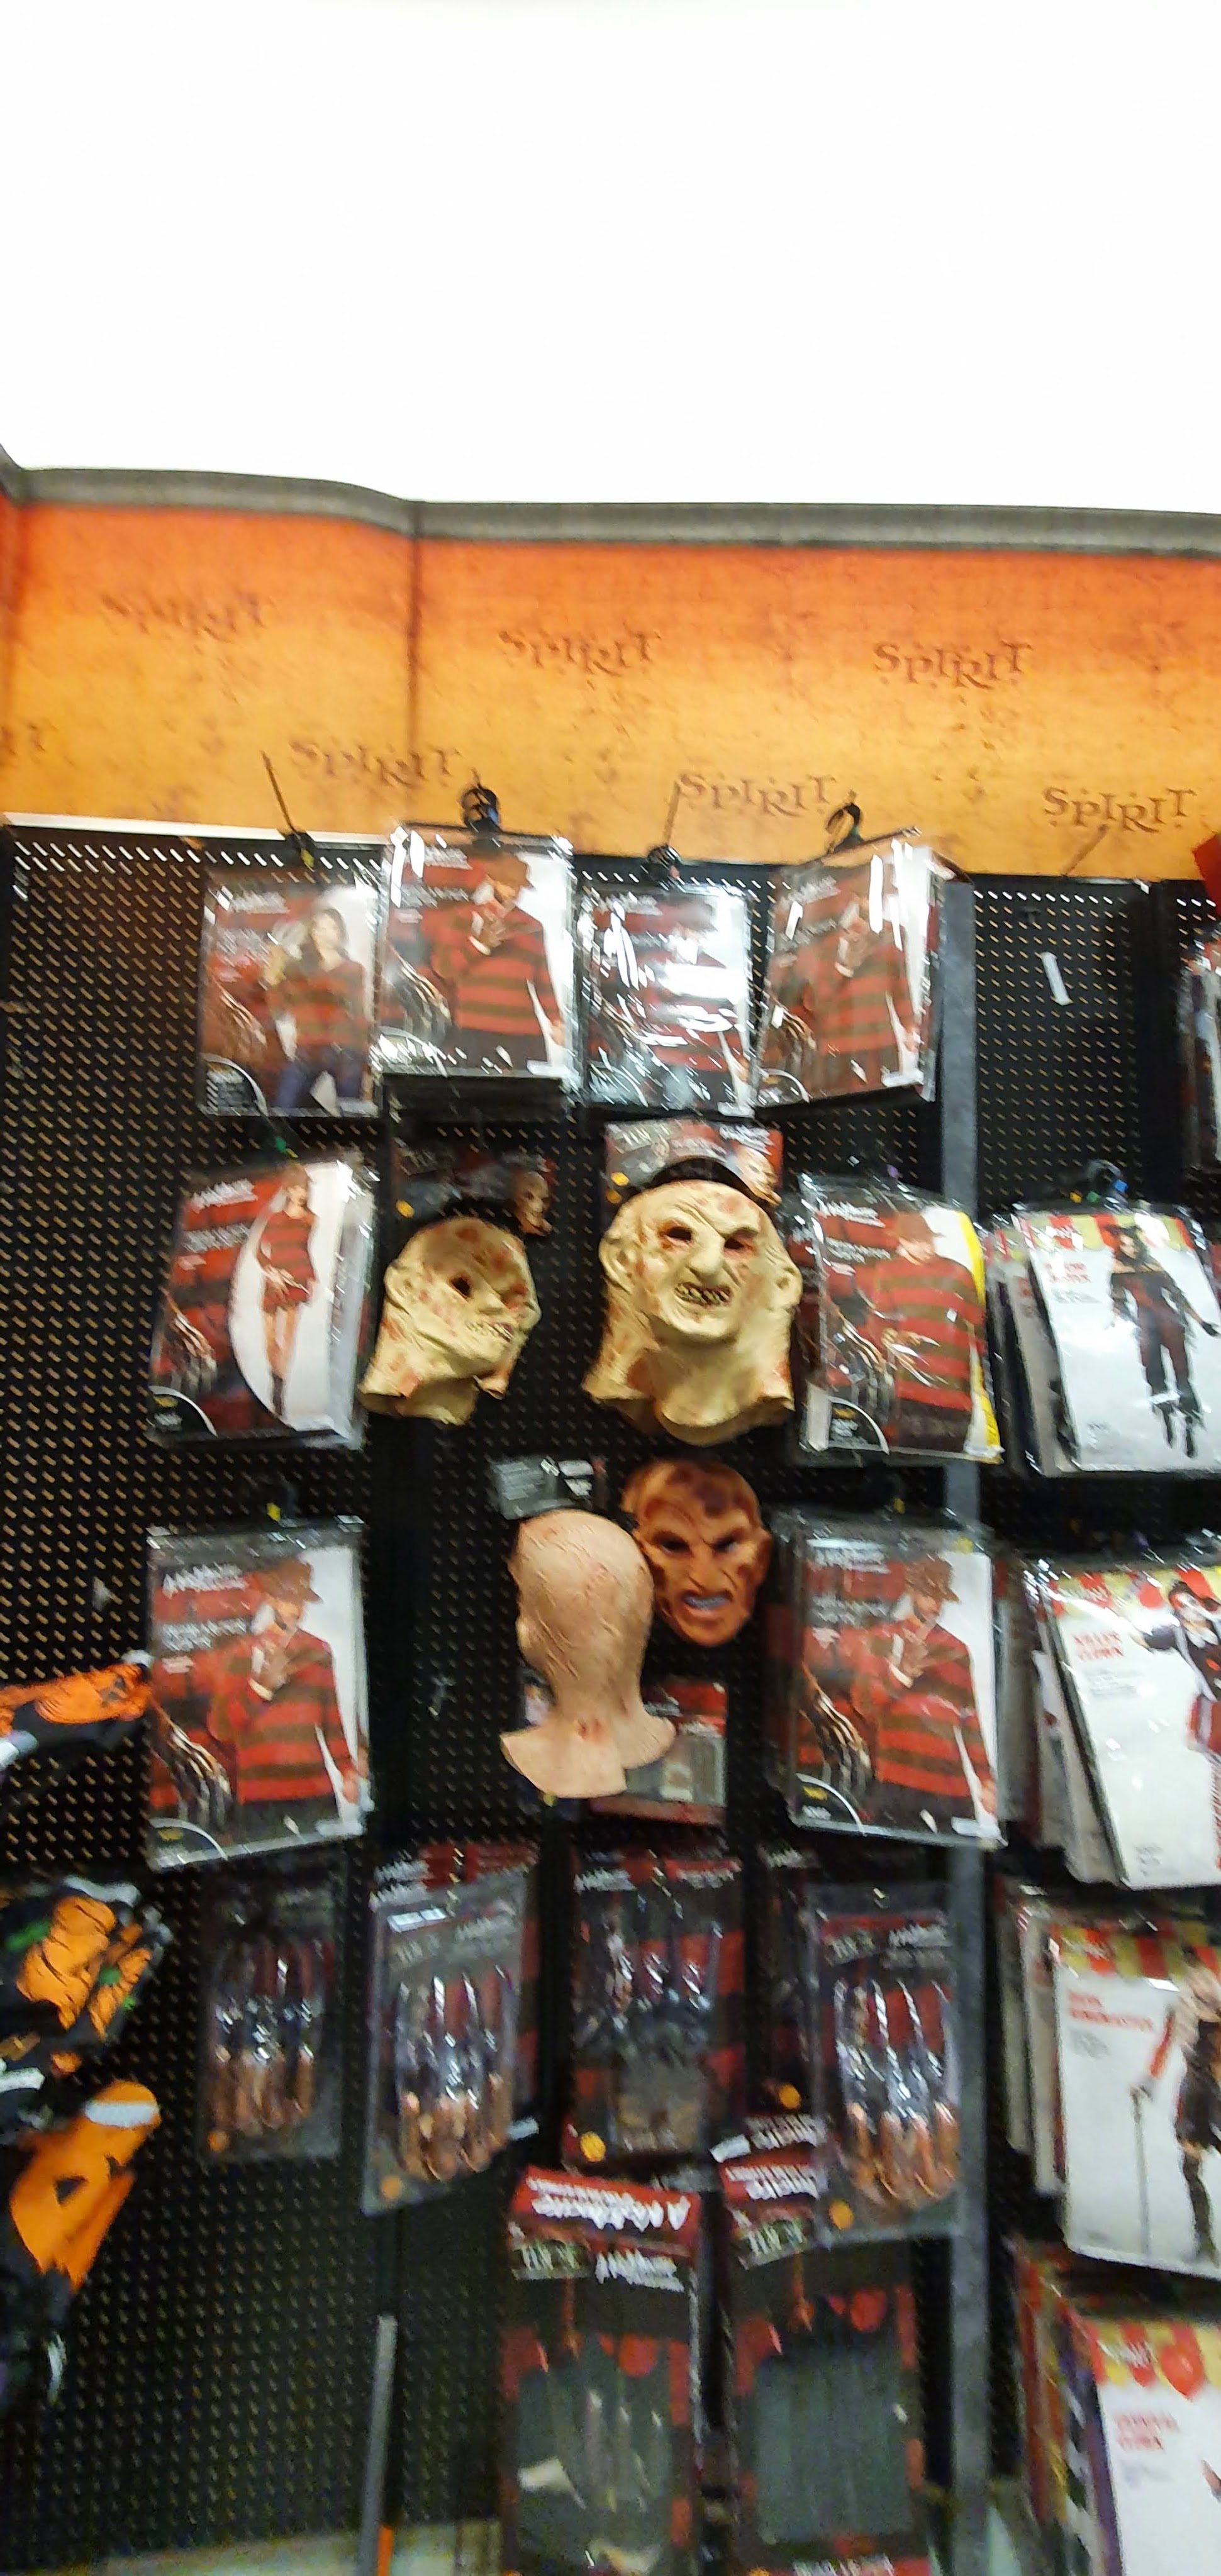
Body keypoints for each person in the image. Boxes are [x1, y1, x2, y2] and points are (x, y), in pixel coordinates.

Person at [805, 1554, 996, 1832]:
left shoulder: (957, 1650)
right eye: (928, 1595)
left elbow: (970, 1719)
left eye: (940, 1597)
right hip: (897, 1779)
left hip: (951, 1784)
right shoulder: (881, 1639)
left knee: (965, 1851)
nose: (935, 1605)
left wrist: (985, 1779)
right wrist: (901, 1674)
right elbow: (864, 1704)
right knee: (890, 1849)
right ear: (912, 1591)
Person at [202, 1560, 364, 1843]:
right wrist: (259, 1688)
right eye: (288, 1599)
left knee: (326, 1857)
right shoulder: (240, 1654)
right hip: (260, 1794)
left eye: (301, 1599)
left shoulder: (318, 1651)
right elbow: (220, 1728)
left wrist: (347, 1771)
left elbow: (331, 1720)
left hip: (314, 1790)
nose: (296, 1608)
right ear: (271, 1599)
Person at [766, 880, 918, 1094]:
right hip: (836, 1042)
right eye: (858, 899)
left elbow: (899, 984)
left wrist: (910, 1026)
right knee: (836, 1099)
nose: (865, 905)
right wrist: (844, 964)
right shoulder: (823, 939)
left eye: (873, 898)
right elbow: (812, 1000)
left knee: (884, 1099)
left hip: (880, 1041)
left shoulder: (890, 935)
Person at [421, 850, 564, 1072]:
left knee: (535, 1089)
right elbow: (443, 968)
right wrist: (478, 945)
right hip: (475, 1026)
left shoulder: (532, 926)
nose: (514, 891)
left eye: (518, 886)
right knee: (474, 1089)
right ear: (491, 880)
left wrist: (555, 1020)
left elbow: (542, 978)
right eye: (508, 884)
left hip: (524, 1029)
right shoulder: (463, 918)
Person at [855, 1212, 984, 1453]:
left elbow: (979, 1331)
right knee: (907, 1455)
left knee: (952, 1455)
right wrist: (891, 1339)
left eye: (927, 1239)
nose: (926, 1247)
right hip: (909, 1390)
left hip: (954, 1393)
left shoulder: (959, 1273)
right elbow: (878, 1321)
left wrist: (982, 1386)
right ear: (902, 1242)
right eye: (916, 1241)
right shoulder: (888, 1272)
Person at [1134, 1954, 1221, 2263]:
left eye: (1202, 1975)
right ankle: (1204, 2240)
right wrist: (1147, 2083)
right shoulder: (1180, 2010)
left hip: (1216, 2092)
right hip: (1194, 2093)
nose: (1197, 1982)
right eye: (1192, 1975)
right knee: (1190, 2166)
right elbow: (1164, 2046)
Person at [1109, 1223, 1219, 1457]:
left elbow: (1177, 1296)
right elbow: (1118, 1301)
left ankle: (1188, 1425)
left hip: (1166, 1321)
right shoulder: (1119, 1269)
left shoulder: (1152, 1265)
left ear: (1139, 1245)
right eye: (1126, 1245)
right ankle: (1169, 1419)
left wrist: (1201, 1322)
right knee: (1155, 1373)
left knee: (1181, 1375)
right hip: (1148, 1323)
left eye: (1133, 1244)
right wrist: (1115, 1323)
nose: (1130, 1249)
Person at [1144, 1570, 1221, 1864]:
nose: (1190, 1610)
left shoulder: (1217, 1621)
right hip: (1216, 1711)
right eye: (1183, 1606)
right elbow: (1145, 1638)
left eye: (1193, 1602)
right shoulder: (1177, 1635)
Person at [268, 904, 370, 1109]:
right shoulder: (297, 967)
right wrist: (274, 979)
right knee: (283, 1108)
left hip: (346, 1049)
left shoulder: (354, 970)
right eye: (319, 927)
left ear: (340, 932)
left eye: (331, 927)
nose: (324, 933)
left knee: (352, 1113)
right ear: (312, 932)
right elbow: (279, 1009)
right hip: (309, 1048)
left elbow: (359, 1013)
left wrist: (366, 1057)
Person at [255, 1166, 316, 1421]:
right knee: (270, 1337)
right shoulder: (275, 1218)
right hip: (275, 1280)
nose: (302, 1193)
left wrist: (312, 1278)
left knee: (288, 1335)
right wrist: (272, 1272)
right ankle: (275, 1377)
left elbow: (305, 1250)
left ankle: (280, 1388)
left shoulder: (310, 1219)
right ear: (289, 1190)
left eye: (305, 1188)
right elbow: (259, 1251)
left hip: (298, 1279)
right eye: (298, 1188)